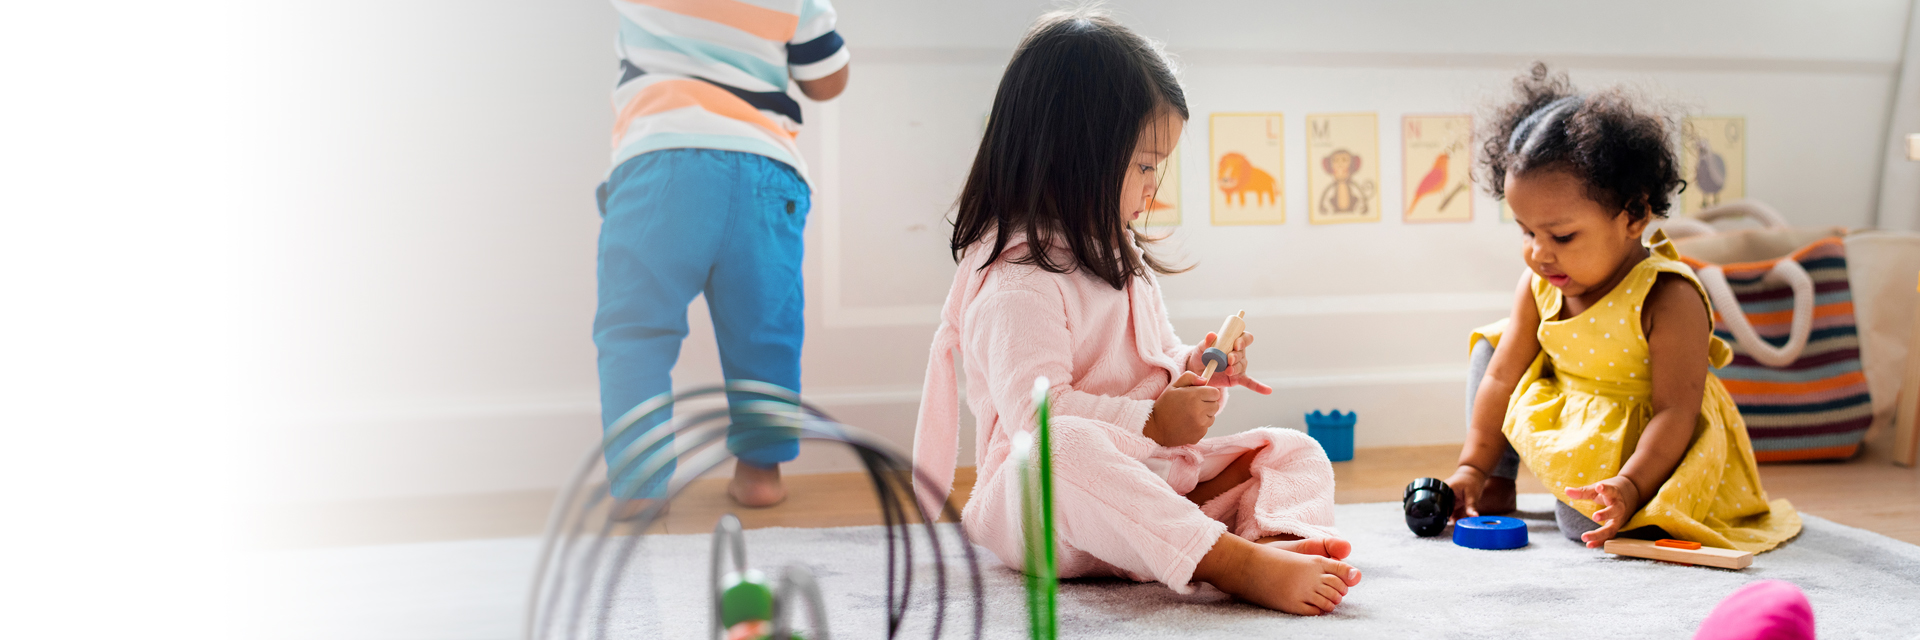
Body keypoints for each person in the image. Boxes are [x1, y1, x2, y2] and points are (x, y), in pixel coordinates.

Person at [912, 11, 1362, 616]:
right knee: (1059, 448)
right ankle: (1233, 562)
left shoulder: (1119, 260)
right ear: (1075, 155)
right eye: (1145, 165)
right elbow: (1035, 423)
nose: (1154, 186)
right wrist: (1152, 423)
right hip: (1050, 514)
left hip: (1147, 486)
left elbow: (1153, 367)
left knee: (1290, 450)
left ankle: (1277, 537)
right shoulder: (1016, 283)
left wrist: (1199, 371)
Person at [1446, 64, 1800, 551]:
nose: (1538, 253)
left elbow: (1676, 412)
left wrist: (1630, 486)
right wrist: (1471, 465)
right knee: (1491, 349)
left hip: (1647, 436)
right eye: (1526, 231)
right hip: (1573, 407)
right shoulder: (1539, 282)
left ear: (1633, 215)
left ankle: (1623, 494)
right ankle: (1493, 482)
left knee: (1580, 526)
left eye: (1562, 236)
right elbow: (1503, 378)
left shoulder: (1668, 297)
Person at [596, 0, 851, 516]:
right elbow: (828, 80)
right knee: (765, 334)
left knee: (636, 333)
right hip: (763, 165)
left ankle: (639, 481)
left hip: (657, 162)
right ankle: (761, 473)